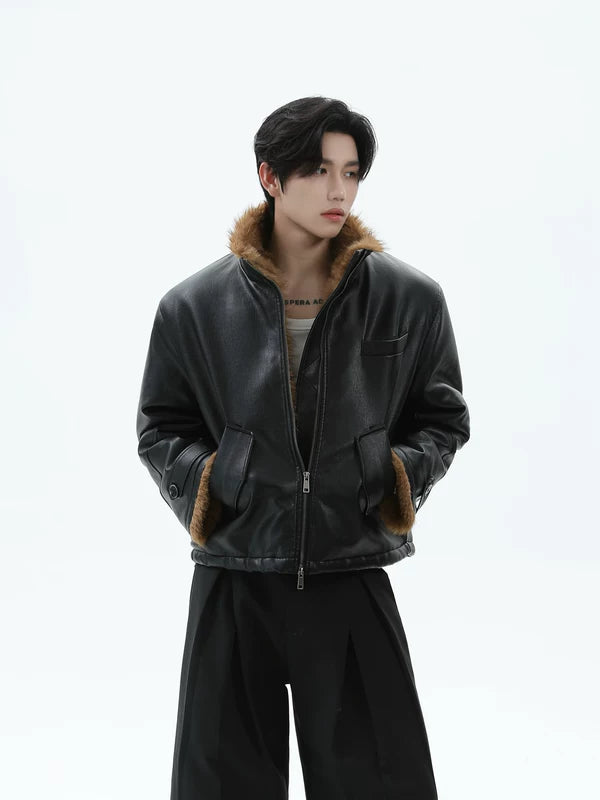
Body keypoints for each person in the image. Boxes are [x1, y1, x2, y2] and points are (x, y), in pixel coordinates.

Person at [136, 96, 470, 800]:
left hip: (351, 567)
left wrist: (391, 477)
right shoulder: (193, 307)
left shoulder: (410, 299)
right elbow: (160, 426)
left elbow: (442, 418)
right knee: (222, 784)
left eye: (350, 172)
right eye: (319, 170)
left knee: (378, 780)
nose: (338, 190)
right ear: (270, 177)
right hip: (235, 571)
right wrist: (217, 484)